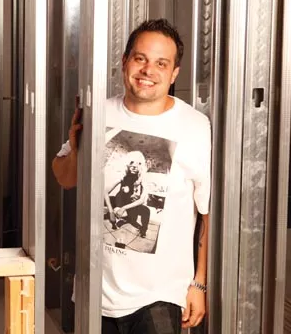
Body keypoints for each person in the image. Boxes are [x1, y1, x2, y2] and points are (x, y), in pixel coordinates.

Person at [52, 19, 211, 333]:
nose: (148, 70)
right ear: (125, 62)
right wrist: (77, 148)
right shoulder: (98, 114)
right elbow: (64, 178)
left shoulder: (194, 126)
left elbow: (206, 212)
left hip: (160, 297)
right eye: (140, 58)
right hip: (95, 292)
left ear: (174, 73)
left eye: (161, 63)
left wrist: (199, 283)